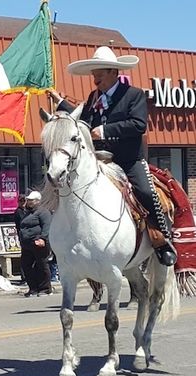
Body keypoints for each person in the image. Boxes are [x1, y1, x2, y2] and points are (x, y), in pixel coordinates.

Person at [48, 46, 177, 267]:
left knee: (146, 192)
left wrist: (106, 130)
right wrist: (61, 103)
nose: (95, 77)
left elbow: (139, 124)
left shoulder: (133, 95)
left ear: (113, 72)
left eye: (99, 72)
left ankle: (161, 241)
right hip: (100, 161)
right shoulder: (93, 98)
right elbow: (84, 122)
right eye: (93, 73)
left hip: (128, 161)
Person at [19, 191, 52, 297]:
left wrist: (43, 238)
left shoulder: (43, 212)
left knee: (42, 265)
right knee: (26, 265)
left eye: (31, 200)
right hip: (27, 244)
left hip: (38, 243)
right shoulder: (27, 213)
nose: (28, 202)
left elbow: (47, 226)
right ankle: (33, 288)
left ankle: (45, 289)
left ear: (37, 201)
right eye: (28, 200)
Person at [14, 194, 27, 284]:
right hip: (23, 236)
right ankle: (24, 277)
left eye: (24, 201)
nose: (23, 203)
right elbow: (22, 223)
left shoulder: (27, 210)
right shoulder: (18, 212)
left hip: (28, 236)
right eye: (21, 201)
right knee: (25, 256)